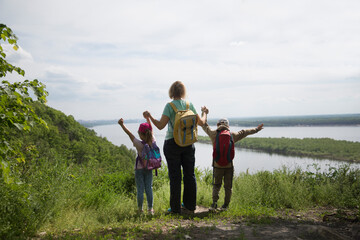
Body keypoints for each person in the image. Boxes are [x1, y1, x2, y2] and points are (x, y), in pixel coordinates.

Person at [143, 80, 207, 214]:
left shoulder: (169, 106)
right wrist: (205, 112)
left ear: (171, 92)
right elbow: (201, 122)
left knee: (175, 176)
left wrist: (150, 117)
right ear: (183, 92)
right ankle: (190, 206)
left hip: (172, 143)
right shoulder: (189, 105)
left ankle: (176, 208)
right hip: (188, 143)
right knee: (190, 175)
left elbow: (160, 125)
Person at [201, 109, 263, 210]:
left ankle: (214, 204)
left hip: (217, 165)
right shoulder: (232, 135)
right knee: (228, 187)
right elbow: (245, 132)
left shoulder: (213, 133)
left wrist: (204, 113)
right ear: (227, 125)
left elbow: (204, 125)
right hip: (229, 165)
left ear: (218, 124)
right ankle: (225, 206)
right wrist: (257, 129)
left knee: (216, 185)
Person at [118, 117, 159, 214]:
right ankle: (150, 209)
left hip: (139, 169)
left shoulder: (138, 143)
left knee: (140, 189)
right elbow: (151, 130)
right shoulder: (153, 141)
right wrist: (148, 118)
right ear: (149, 132)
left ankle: (140, 210)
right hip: (149, 168)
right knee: (149, 188)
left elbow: (129, 133)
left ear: (140, 134)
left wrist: (122, 124)